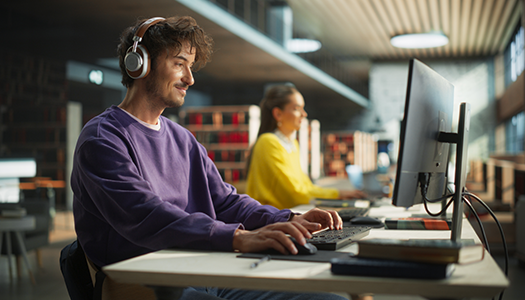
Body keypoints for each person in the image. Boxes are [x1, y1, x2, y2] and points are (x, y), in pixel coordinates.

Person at [71, 16, 348, 300]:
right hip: (147, 284)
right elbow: (145, 214)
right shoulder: (103, 138)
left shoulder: (182, 139)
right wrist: (237, 238)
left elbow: (225, 201)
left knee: (327, 298)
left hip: (204, 269)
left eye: (190, 67)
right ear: (140, 63)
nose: (190, 79)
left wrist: (288, 218)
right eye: (179, 64)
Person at [245, 84, 367, 210]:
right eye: (297, 108)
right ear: (278, 113)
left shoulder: (292, 145)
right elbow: (294, 194)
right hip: (270, 221)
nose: (304, 114)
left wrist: (338, 194)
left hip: (287, 216)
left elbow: (306, 187)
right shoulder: (268, 142)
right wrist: (336, 194)